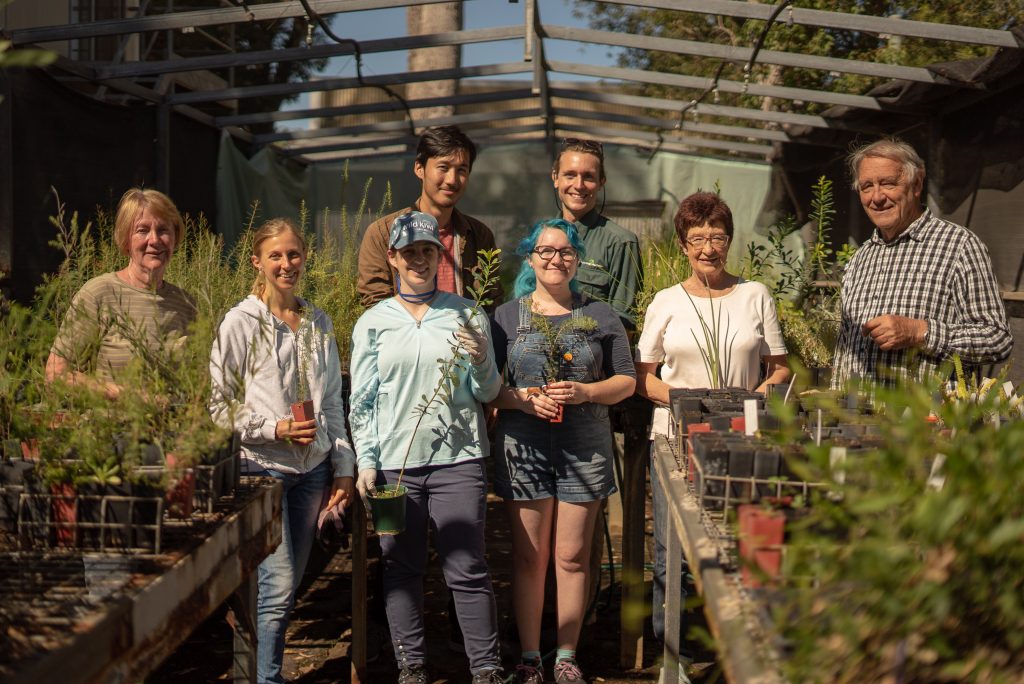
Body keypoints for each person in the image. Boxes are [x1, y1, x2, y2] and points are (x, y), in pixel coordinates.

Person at [634, 192, 790, 669]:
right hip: (676, 441)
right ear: (683, 244)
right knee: (673, 548)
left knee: (743, 542)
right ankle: (677, 652)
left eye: (717, 237)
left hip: (742, 441)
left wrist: (751, 405)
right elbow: (644, 377)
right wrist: (688, 403)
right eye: (697, 238)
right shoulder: (666, 301)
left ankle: (739, 651)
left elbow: (780, 370)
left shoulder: (755, 295)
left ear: (729, 241)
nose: (708, 248)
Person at [349, 212, 505, 684]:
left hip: (459, 459)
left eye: (428, 251)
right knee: (400, 566)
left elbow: (489, 392)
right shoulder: (374, 322)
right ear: (393, 258)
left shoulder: (466, 313)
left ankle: (486, 668)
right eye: (409, 252)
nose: (419, 259)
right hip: (396, 470)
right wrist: (368, 461)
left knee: (468, 567)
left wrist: (480, 358)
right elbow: (363, 400)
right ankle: (411, 666)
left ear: (441, 258)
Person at [489, 218, 637, 684]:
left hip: (584, 446)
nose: (556, 259)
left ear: (577, 260)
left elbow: (627, 381)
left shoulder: (601, 314)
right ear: (530, 258)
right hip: (524, 446)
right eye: (546, 251)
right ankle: (530, 657)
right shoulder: (505, 317)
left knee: (572, 557)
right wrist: (524, 399)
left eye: (566, 252)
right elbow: (490, 389)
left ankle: (567, 655)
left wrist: (586, 392)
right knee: (530, 557)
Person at [209, 218, 355, 684]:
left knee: (283, 586)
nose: (286, 264)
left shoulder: (318, 321)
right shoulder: (239, 323)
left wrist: (342, 466)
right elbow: (219, 407)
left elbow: (332, 401)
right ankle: (265, 678)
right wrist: (276, 427)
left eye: (293, 254)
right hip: (264, 469)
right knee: (278, 584)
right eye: (275, 255)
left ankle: (254, 670)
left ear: (304, 258)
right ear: (257, 261)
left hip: (312, 470)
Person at [832, 137, 1012, 387]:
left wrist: (920, 333)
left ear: (916, 184)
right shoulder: (860, 258)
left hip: (924, 422)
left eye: (887, 183)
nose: (877, 197)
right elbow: (845, 351)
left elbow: (997, 340)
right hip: (858, 421)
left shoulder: (959, 246)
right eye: (866, 187)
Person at [46, 188, 196, 396]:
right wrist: (123, 395)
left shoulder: (185, 303)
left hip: (175, 426)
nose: (154, 240)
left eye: (163, 230)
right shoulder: (99, 293)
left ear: (175, 237)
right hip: (112, 425)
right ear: (126, 239)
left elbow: (198, 380)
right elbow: (56, 373)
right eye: (142, 230)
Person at [357, 125, 502, 308]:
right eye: (443, 167)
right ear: (419, 168)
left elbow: (491, 301)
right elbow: (376, 305)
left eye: (461, 170)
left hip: (466, 335)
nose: (452, 180)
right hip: (404, 335)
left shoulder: (479, 235)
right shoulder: (383, 233)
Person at [551, 137, 642, 329]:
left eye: (589, 176)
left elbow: (624, 325)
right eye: (570, 175)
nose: (579, 185)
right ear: (555, 178)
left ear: (602, 182)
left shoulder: (621, 243)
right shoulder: (539, 237)